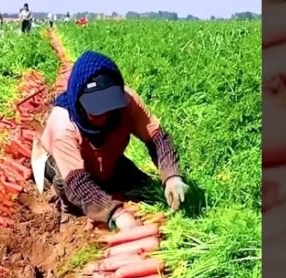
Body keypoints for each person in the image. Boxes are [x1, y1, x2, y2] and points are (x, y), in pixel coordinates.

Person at [35, 51, 187, 230]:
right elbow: (78, 183)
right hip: (63, 165)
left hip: (105, 158)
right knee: (69, 187)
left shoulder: (126, 101)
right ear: (79, 102)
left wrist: (172, 177)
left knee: (146, 188)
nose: (103, 115)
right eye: (96, 109)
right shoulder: (63, 124)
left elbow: (157, 139)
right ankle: (68, 209)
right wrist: (117, 214)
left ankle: (105, 183)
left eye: (108, 106)